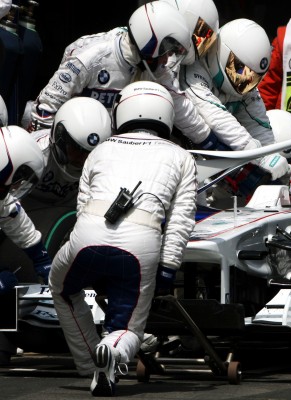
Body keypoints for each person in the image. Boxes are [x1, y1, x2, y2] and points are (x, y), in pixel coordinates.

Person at [48, 81, 197, 396]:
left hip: (87, 235)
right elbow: (182, 219)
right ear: (167, 116)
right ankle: (111, 352)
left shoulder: (101, 149)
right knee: (127, 327)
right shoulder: (182, 157)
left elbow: (82, 206)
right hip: (140, 246)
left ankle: (90, 364)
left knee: (61, 287)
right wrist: (169, 267)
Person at [28, 1, 219, 152]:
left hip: (111, 152)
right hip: (70, 151)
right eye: (166, 51)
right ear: (149, 41)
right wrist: (50, 158)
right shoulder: (89, 58)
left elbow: (183, 109)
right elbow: (44, 110)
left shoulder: (154, 67)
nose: (167, 59)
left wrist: (212, 143)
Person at [180, 18, 290, 207]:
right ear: (223, 53)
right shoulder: (193, 71)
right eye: (241, 72)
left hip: (212, 162)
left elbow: (259, 128)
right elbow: (214, 116)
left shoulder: (247, 86)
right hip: (180, 152)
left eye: (254, 78)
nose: (246, 82)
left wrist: (279, 163)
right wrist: (260, 156)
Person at [0, 122, 52, 364]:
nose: (20, 183)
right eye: (19, 175)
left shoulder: (3, 198)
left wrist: (44, 262)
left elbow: (16, 220)